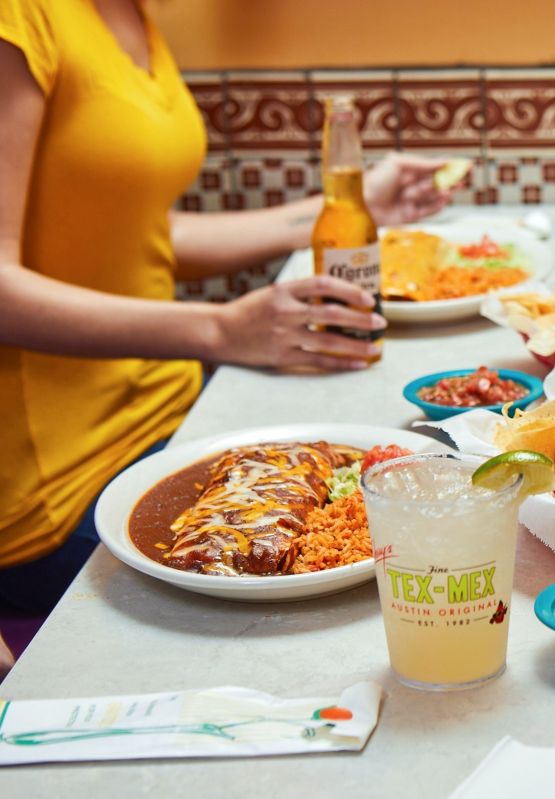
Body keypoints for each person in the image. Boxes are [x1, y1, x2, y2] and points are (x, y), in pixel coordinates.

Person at [0, 0, 454, 644]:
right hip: (62, 489)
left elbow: (144, 236)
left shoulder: (131, 15)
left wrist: (349, 205)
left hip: (176, 417)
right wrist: (217, 330)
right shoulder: (22, 20)